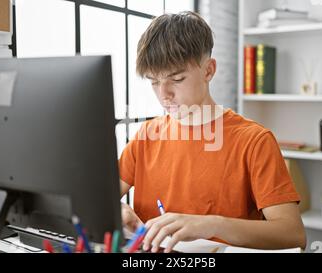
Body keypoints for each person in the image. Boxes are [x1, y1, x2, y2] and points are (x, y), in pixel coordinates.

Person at [119, 11, 306, 253]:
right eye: (154, 81)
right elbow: (97, 195)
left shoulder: (254, 141)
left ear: (208, 71)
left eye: (176, 79)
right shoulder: (146, 135)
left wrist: (212, 225)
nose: (163, 94)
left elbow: (293, 235)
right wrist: (117, 210)